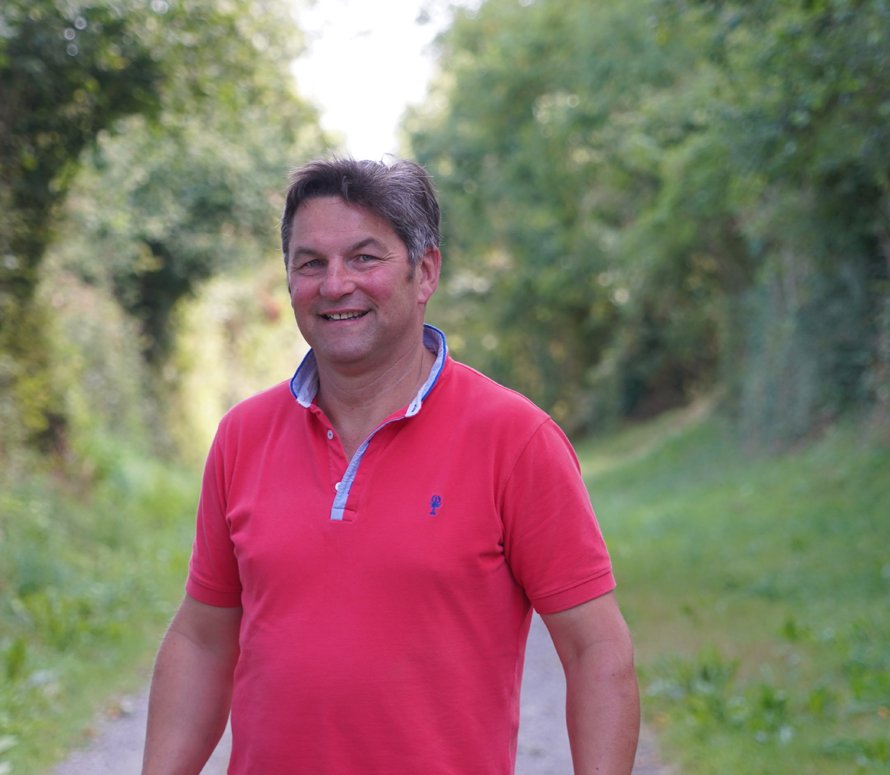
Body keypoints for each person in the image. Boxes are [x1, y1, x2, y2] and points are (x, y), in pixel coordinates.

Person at [141, 158, 639, 775]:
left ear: (424, 272)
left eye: (364, 258)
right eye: (310, 263)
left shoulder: (515, 439)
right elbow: (202, 641)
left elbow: (597, 650)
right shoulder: (243, 436)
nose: (335, 284)